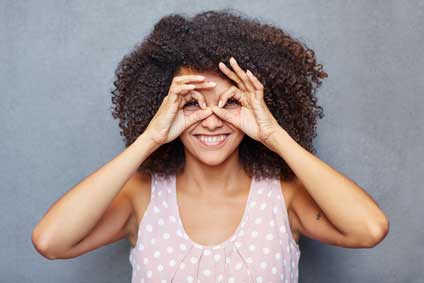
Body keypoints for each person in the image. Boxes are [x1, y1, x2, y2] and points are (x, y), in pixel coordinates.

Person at [32, 9, 389, 283]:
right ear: (163, 107)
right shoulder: (140, 196)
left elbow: (370, 229)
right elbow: (50, 241)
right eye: (192, 103)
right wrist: (150, 138)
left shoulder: (285, 197)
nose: (212, 119)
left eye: (230, 102)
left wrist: (274, 134)